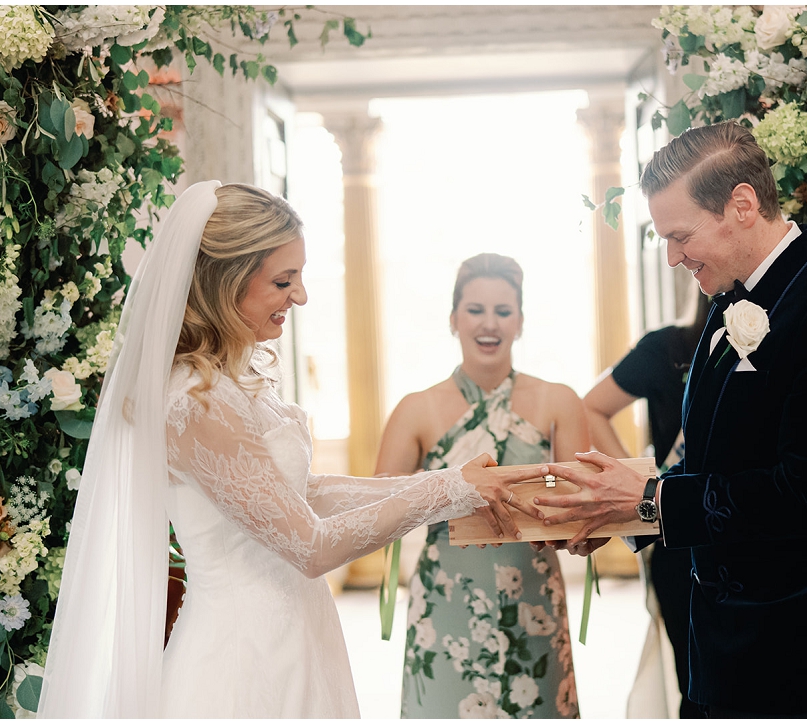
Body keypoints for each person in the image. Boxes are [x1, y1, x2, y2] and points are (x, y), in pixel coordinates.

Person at [37, 182, 538, 718]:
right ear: (224, 281)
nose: (301, 296)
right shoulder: (195, 400)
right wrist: (450, 489)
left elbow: (302, 495)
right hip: (243, 659)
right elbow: (310, 546)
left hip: (294, 634)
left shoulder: (231, 380)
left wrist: (454, 485)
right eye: (283, 280)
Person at [535, 122, 807, 718]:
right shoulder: (729, 300)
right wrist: (623, 509)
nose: (674, 256)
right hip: (716, 636)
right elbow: (713, 464)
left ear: (741, 205)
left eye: (681, 236)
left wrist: (653, 501)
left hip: (790, 646)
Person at [374, 253, 586, 719]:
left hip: (532, 596)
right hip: (444, 599)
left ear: (520, 322)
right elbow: (376, 512)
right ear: (453, 319)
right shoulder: (416, 409)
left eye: (503, 311)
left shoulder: (560, 401)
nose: (489, 323)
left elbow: (588, 516)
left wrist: (583, 531)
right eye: (474, 310)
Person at [582, 289, 711, 719]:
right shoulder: (667, 347)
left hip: (748, 530)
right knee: (697, 683)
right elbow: (592, 408)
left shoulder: (779, 341)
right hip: (678, 540)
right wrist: (641, 485)